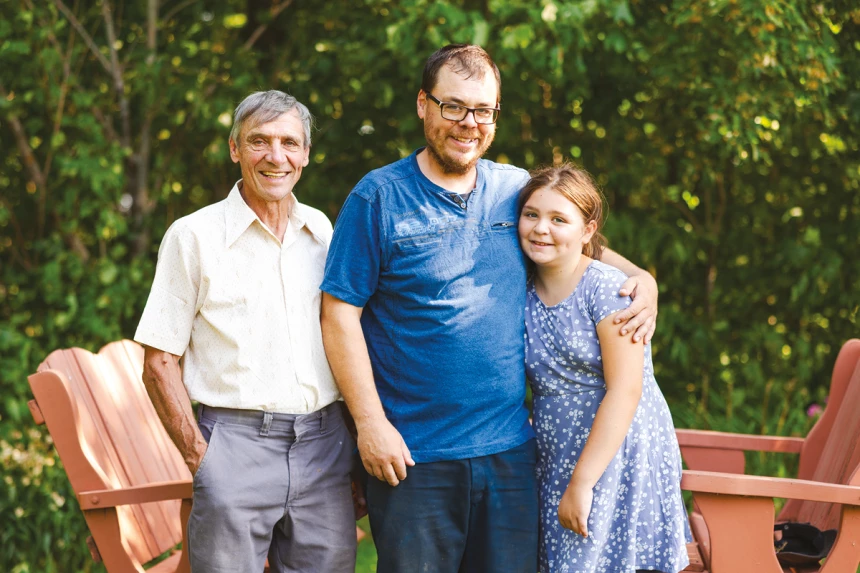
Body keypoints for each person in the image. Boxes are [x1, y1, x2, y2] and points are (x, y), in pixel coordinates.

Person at [320, 44, 659, 572]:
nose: (468, 123)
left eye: (483, 110)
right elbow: (339, 314)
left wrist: (643, 280)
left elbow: (577, 246)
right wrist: (370, 424)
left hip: (510, 454)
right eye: (453, 106)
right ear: (423, 104)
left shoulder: (513, 189)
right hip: (414, 455)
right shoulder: (378, 198)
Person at [134, 90, 357, 572]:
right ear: (235, 148)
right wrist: (202, 460)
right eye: (259, 141)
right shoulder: (193, 236)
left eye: (289, 143)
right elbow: (159, 361)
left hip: (324, 449)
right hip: (234, 447)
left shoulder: (321, 231)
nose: (276, 156)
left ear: (306, 154)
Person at [518, 164, 691, 573]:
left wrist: (582, 482)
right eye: (532, 214)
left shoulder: (607, 289)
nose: (541, 228)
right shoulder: (522, 288)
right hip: (558, 446)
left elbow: (626, 389)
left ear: (588, 230)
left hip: (616, 445)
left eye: (559, 219)